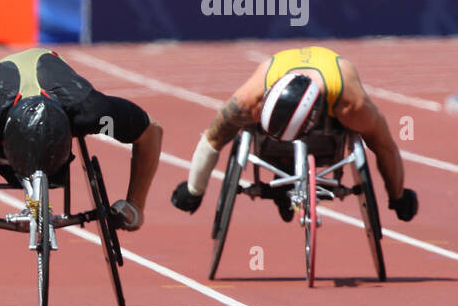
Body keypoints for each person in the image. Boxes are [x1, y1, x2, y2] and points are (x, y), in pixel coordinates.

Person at [0, 47, 163, 231]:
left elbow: (151, 131)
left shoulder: (90, 111)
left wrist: (135, 205)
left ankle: (47, 158)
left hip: (56, 82)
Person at [170, 45, 418, 223]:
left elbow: (384, 146)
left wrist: (397, 196)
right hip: (275, 94)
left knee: (373, 136)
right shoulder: (251, 99)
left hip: (331, 98)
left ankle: (285, 183)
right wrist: (194, 191)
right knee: (232, 129)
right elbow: (213, 137)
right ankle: (284, 180)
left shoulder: (352, 104)